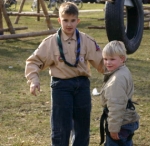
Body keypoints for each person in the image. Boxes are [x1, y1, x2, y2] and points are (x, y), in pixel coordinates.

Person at [25, 2, 104, 146]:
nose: (69, 24)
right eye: (65, 20)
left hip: (82, 86)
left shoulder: (86, 41)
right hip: (61, 86)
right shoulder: (50, 43)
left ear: (78, 21)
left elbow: (102, 64)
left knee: (82, 127)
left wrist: (117, 74)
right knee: (61, 128)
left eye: (73, 20)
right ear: (59, 20)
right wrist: (33, 80)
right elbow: (33, 62)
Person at [99, 41, 140, 146]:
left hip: (121, 123)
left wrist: (113, 128)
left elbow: (116, 106)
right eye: (105, 59)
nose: (108, 63)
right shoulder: (123, 71)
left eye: (112, 59)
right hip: (127, 120)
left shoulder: (116, 80)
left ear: (122, 59)